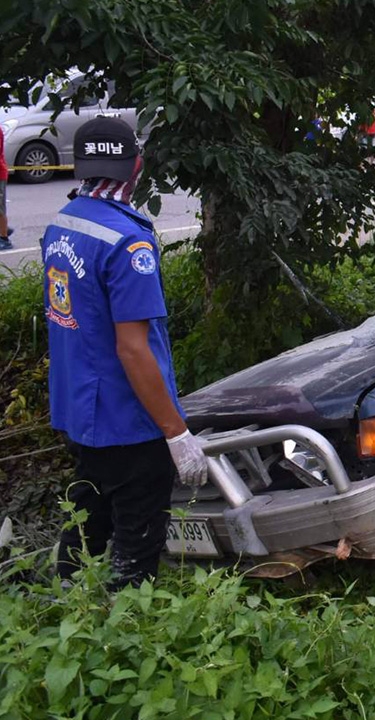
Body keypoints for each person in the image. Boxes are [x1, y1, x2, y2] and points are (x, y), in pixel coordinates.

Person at [45, 117, 208, 590]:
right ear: (136, 165)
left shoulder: (63, 225)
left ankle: (68, 611)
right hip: (127, 420)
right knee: (136, 544)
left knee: (87, 522)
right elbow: (133, 349)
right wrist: (176, 435)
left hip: (79, 410)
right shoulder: (128, 241)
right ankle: (127, 626)